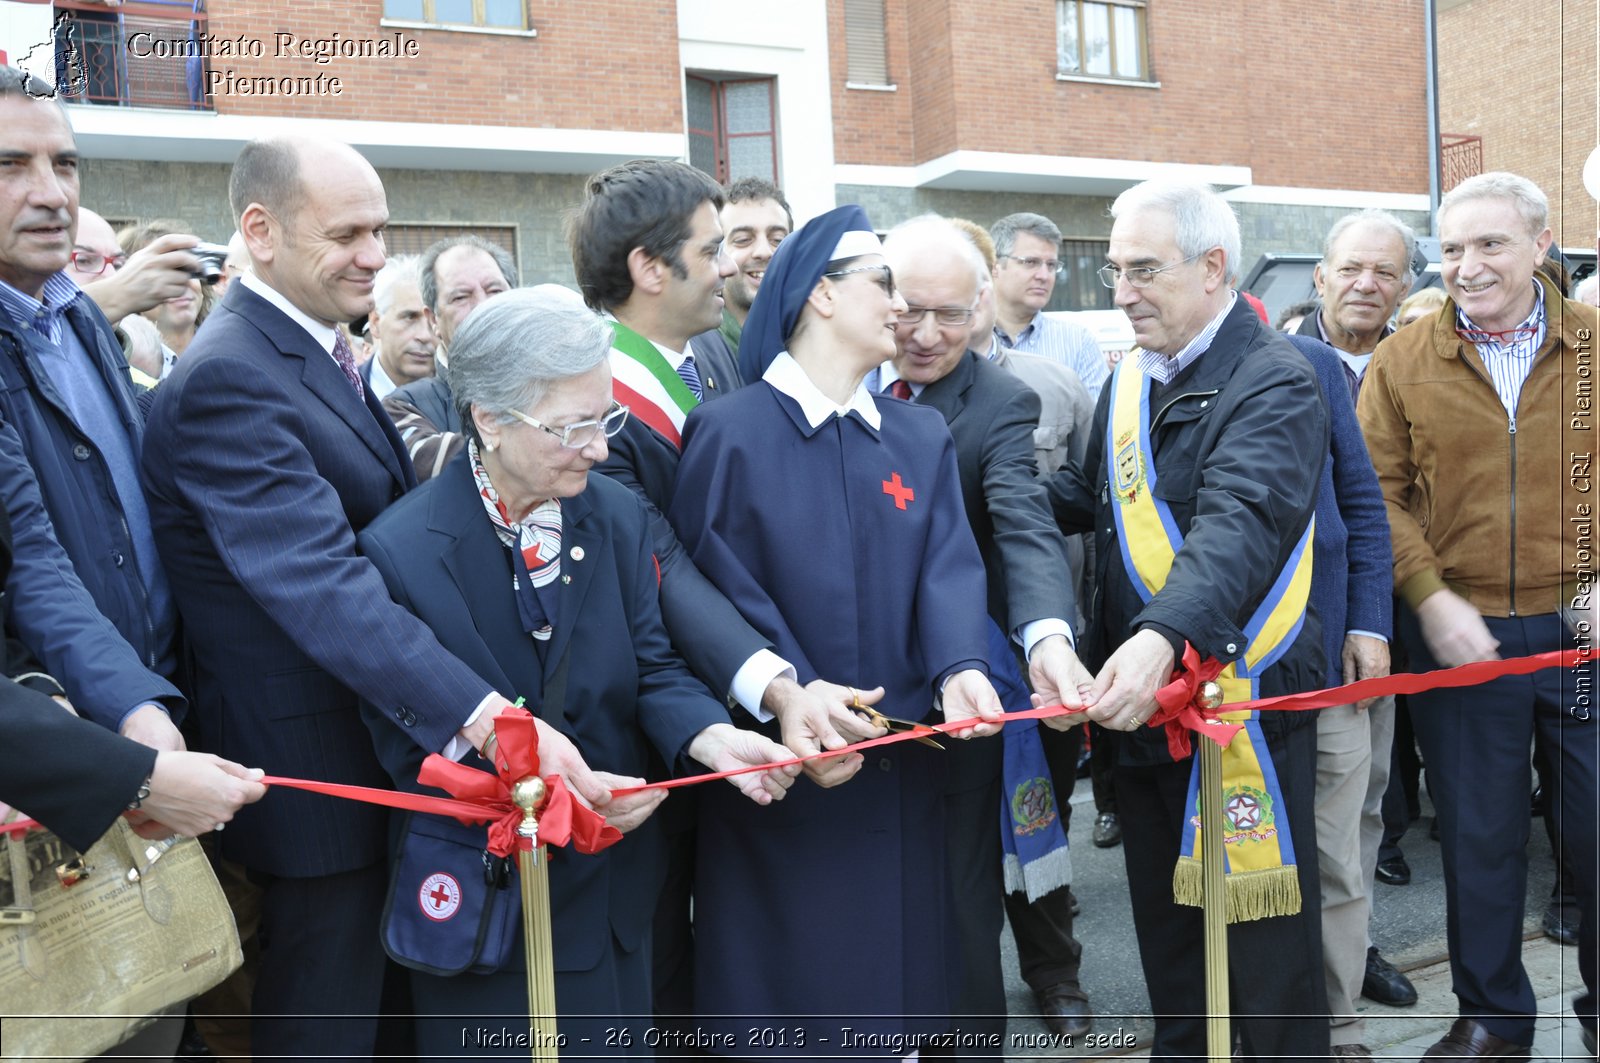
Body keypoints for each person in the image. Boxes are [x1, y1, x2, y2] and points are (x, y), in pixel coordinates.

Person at [139, 135, 586, 1059]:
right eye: (347, 232)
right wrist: (485, 714)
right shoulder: (230, 373)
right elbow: (324, 586)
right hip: (314, 781)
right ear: (258, 231)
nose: (378, 257)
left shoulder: (309, 348)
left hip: (372, 759)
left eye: (381, 231)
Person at [356, 286, 796, 1058]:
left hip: (612, 894)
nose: (598, 446)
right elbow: (406, 742)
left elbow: (653, 666)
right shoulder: (401, 550)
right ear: (488, 418)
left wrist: (712, 740)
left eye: (606, 418)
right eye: (572, 426)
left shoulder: (617, 514)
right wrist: (548, 787)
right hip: (485, 905)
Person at [670, 204, 1005, 1053]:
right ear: (821, 293)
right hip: (784, 771)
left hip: (901, 773)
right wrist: (797, 694)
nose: (901, 305)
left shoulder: (918, 432)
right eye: (883, 282)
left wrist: (963, 663)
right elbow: (715, 590)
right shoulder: (728, 433)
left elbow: (950, 567)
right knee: (795, 1001)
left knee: (902, 993)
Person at [1049, 179, 1331, 1060]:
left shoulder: (1276, 378)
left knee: (1266, 965)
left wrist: (1160, 636)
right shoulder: (1131, 375)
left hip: (1233, 704)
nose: (1119, 291)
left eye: (1141, 270)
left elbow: (1239, 527)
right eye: (1113, 269)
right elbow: (1086, 498)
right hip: (1138, 707)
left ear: (1212, 268)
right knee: (1172, 946)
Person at [1357, 171, 1597, 1059]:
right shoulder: (1403, 359)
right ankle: (1494, 1017)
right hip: (1461, 640)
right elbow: (1374, 495)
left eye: (1489, 243)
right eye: (1451, 249)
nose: (1466, 266)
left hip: (1583, 636)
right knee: (1480, 843)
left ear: (1541, 246)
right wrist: (1430, 595)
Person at [881, 214, 1093, 1044]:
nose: (927, 334)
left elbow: (1022, 522)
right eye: (908, 310)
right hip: (871, 679)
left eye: (952, 314)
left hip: (987, 665)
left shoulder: (1000, 400)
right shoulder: (839, 385)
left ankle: (1054, 973)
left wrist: (1046, 634)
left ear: (981, 311)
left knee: (1019, 826)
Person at [0, 67, 185, 757]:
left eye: (66, 165)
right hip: (76, 723)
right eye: (10, 165)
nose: (51, 194)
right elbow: (29, 560)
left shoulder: (76, 316)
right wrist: (129, 701)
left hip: (154, 698)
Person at [1295, 210, 1422, 1028]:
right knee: (1320, 819)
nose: (1366, 284)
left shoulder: (1424, 362)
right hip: (1311, 637)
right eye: (1351, 269)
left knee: (1371, 804)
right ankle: (1320, 987)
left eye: (1385, 272)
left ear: (1407, 286)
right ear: (1320, 276)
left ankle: (1357, 945)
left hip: (1405, 623)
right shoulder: (1283, 362)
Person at [382, 234, 517, 480]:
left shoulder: (561, 382)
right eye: (461, 297)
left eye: (494, 290)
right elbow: (446, 475)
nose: (483, 306)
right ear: (433, 319)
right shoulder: (403, 407)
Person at [989, 212, 1108, 397]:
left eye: (1051, 265)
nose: (1044, 276)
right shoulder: (964, 337)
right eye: (1030, 262)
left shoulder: (1078, 343)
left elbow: (1094, 422)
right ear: (995, 266)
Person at [687, 176, 792, 386]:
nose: (764, 252)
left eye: (778, 240)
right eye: (743, 240)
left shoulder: (816, 344)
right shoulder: (692, 353)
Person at [116, 218, 213, 376]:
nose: (181, 282)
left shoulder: (229, 346)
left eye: (188, 269)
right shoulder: (117, 366)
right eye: (163, 272)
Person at [361, 254, 437, 400]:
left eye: (433, 320)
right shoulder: (341, 391)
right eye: (409, 318)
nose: (424, 336)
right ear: (375, 323)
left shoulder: (464, 399)